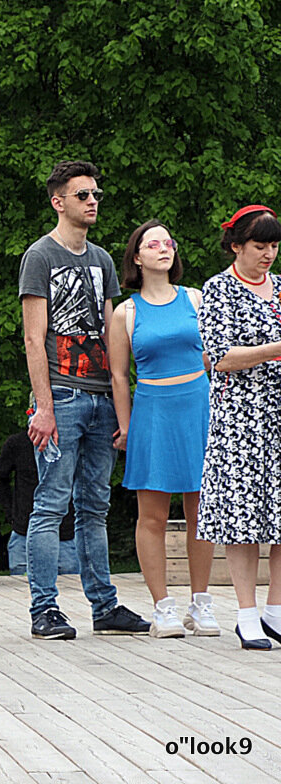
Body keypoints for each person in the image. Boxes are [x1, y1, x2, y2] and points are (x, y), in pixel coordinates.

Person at [18, 160, 149, 640]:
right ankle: (44, 610)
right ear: (59, 202)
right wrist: (44, 406)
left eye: (95, 194)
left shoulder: (103, 261)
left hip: (101, 397)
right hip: (63, 395)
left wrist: (122, 408)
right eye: (82, 195)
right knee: (50, 503)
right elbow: (35, 339)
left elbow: (116, 339)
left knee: (96, 505)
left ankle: (104, 606)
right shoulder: (41, 257)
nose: (92, 201)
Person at [109, 220, 216, 639]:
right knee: (151, 515)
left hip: (199, 407)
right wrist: (126, 427)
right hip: (152, 410)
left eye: (168, 242)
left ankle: (201, 603)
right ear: (137, 257)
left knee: (201, 512)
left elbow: (215, 356)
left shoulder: (196, 298)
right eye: (152, 244)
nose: (163, 248)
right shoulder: (126, 312)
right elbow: (119, 376)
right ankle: (163, 607)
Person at [195, 205, 281, 649]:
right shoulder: (219, 290)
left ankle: (275, 610)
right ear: (236, 246)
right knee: (243, 518)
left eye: (273, 246)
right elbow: (221, 356)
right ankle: (245, 613)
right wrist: (276, 349)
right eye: (259, 246)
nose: (268, 254)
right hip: (241, 421)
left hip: (280, 416)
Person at [0, 429, 79, 575]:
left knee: (70, 588)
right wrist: (11, 513)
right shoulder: (18, 443)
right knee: (19, 588)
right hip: (24, 532)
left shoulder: (71, 442)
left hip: (65, 534)